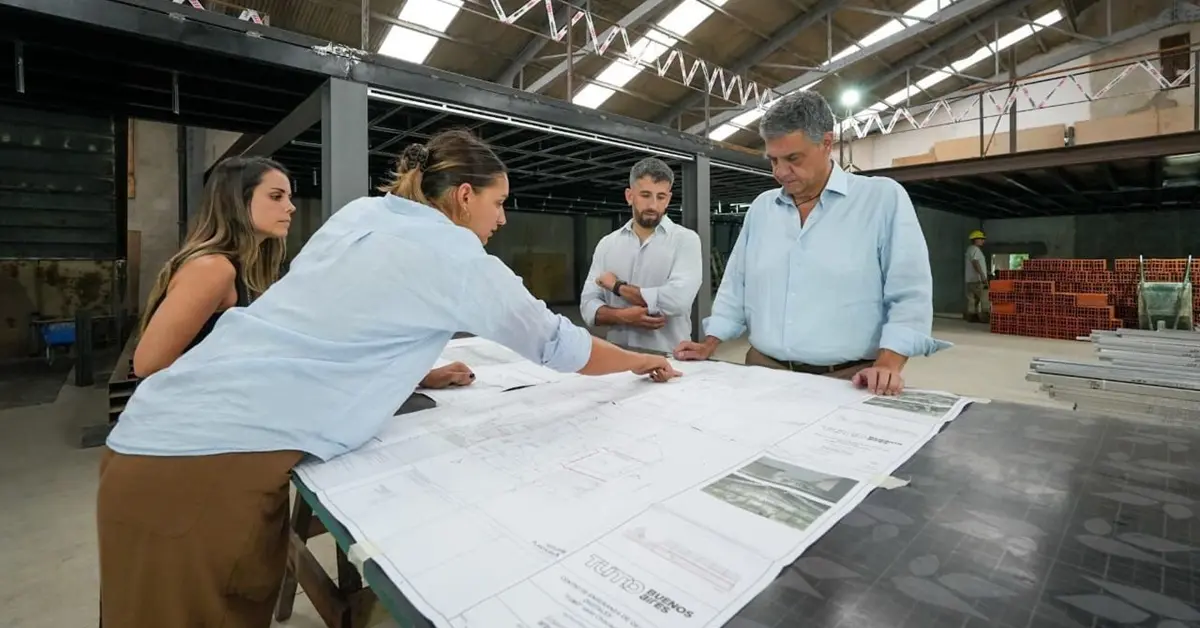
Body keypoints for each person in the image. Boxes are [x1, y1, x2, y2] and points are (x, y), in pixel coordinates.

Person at [96, 129, 681, 628]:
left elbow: (332, 323)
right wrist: (640, 362)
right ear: (465, 196)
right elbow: (556, 343)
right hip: (198, 470)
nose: (503, 218)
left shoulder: (360, 214)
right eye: (499, 203)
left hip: (158, 449)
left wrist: (416, 370)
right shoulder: (456, 255)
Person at [673, 91, 948, 395]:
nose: (780, 172)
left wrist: (888, 363)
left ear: (826, 143)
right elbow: (736, 286)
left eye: (793, 159)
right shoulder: (763, 209)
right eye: (773, 160)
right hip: (762, 371)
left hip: (848, 380)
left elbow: (909, 293)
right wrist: (709, 343)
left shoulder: (881, 199)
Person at [131, 156, 293, 378]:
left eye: (289, 197)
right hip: (187, 398)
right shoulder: (213, 269)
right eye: (276, 196)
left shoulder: (249, 268)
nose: (290, 207)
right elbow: (147, 364)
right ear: (237, 201)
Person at [580, 157, 702, 353]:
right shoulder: (607, 244)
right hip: (617, 355)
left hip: (669, 357)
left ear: (668, 199)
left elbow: (677, 301)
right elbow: (588, 306)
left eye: (661, 197)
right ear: (629, 196)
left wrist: (618, 287)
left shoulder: (686, 240)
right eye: (645, 195)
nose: (653, 205)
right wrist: (623, 316)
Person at [965, 230, 989, 323]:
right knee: (984, 296)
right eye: (981, 239)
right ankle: (985, 315)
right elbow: (975, 262)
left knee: (972, 299)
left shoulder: (969, 249)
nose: (983, 241)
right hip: (977, 279)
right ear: (975, 240)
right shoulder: (976, 250)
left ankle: (971, 316)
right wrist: (982, 276)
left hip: (969, 280)